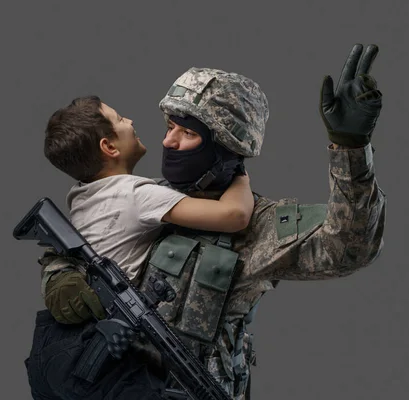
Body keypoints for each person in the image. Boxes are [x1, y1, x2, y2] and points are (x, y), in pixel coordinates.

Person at [24, 43, 387, 400]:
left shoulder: (259, 224)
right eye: (169, 126)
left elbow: (349, 247)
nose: (168, 141)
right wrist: (59, 273)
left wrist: (351, 148)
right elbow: (89, 240)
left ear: (225, 147)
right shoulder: (151, 198)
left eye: (189, 132)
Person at [42, 96, 254, 284]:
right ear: (110, 148)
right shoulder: (136, 196)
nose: (130, 121)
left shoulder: (81, 195)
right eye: (120, 119)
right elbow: (235, 216)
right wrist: (239, 173)